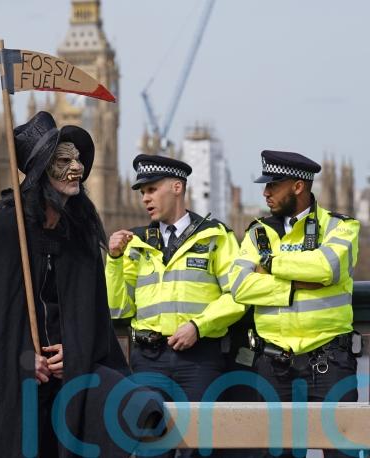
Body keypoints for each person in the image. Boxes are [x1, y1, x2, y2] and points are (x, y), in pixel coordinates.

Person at [0, 112, 163, 457]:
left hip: (71, 383)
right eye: (64, 160)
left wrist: (76, 351)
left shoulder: (79, 235)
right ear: (40, 172)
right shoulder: (1, 232)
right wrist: (22, 358)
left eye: (78, 159)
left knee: (137, 408)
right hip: (13, 390)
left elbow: (94, 321)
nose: (77, 168)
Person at [106, 154, 246, 458]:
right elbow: (118, 309)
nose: (145, 198)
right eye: (142, 192)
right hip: (147, 359)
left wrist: (199, 326)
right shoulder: (137, 242)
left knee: (198, 447)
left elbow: (238, 295)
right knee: (148, 447)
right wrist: (114, 261)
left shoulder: (215, 236)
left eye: (152, 189)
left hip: (199, 359)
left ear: (177, 187)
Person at [228, 150, 362, 458]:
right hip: (274, 366)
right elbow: (238, 286)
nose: (265, 192)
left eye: (273, 185)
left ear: (298, 186)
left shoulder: (341, 227)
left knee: (343, 452)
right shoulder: (257, 231)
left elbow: (327, 268)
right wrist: (294, 286)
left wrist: (269, 264)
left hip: (330, 362)